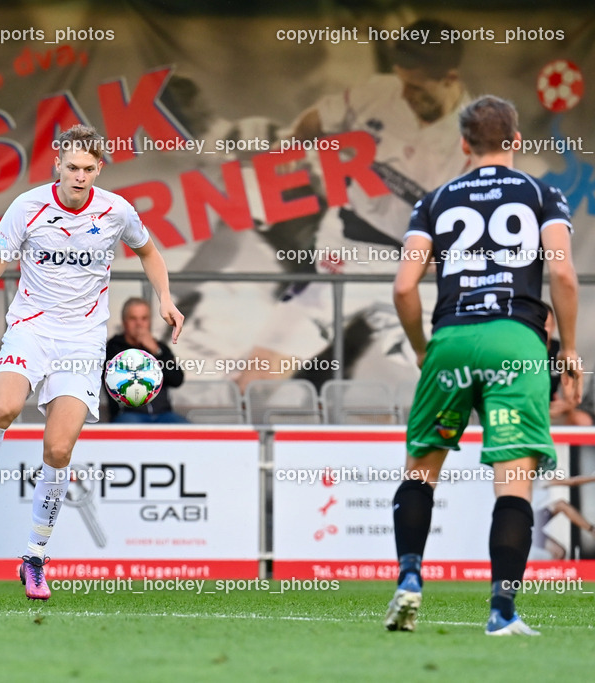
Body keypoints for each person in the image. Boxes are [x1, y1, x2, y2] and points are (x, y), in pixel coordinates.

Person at [0, 125, 184, 600]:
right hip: (31, 330)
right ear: (57, 163)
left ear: (100, 169)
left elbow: (149, 252)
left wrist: (165, 298)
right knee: (5, 407)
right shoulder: (27, 207)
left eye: (88, 169)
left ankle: (34, 556)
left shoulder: (116, 211)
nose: (79, 176)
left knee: (57, 450)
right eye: (71, 167)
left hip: (83, 342)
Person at [384, 95, 581, 636]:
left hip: (450, 338)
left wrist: (423, 346)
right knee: (512, 482)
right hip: (516, 342)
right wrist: (567, 350)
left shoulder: (434, 201)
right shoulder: (544, 194)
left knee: (421, 471)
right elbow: (562, 276)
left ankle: (408, 578)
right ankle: (502, 611)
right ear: (516, 140)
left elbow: (404, 287)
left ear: (464, 145)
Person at [231, 19, 471, 388]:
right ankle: (242, 441)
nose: (404, 94)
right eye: (401, 81)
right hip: (349, 248)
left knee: (450, 383)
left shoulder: (471, 140)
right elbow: (317, 119)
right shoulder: (377, 93)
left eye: (415, 87)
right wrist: (293, 145)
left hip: (418, 270)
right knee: (259, 370)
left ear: (449, 78)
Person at [105, 297, 187, 423]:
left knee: (188, 432)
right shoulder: (113, 347)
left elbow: (177, 379)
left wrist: (156, 351)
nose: (139, 324)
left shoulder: (159, 347)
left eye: (144, 319)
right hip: (129, 414)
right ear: (124, 322)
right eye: (133, 319)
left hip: (164, 414)